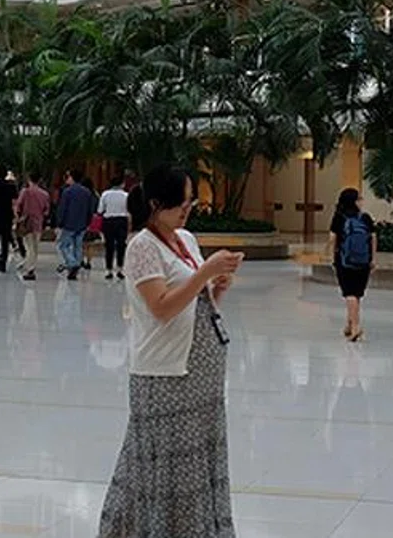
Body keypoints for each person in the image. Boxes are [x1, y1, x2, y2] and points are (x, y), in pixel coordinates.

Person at [97, 166, 245, 538]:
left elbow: (196, 304)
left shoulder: (187, 240)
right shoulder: (142, 247)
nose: (187, 209)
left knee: (197, 462)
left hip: (201, 373)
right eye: (180, 202)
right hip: (165, 374)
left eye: (190, 201)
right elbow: (161, 308)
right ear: (155, 204)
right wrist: (204, 273)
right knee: (162, 464)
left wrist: (217, 285)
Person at [327, 187, 375, 342]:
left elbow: (333, 239)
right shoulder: (365, 218)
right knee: (357, 294)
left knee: (349, 293)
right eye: (359, 198)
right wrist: (372, 259)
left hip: (344, 260)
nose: (361, 201)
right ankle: (349, 324)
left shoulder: (339, 218)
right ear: (354, 201)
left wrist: (331, 257)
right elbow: (373, 238)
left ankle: (355, 327)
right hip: (364, 261)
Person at [56, 170, 97, 281]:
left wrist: (59, 222)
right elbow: (90, 209)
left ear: (72, 178)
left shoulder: (67, 192)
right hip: (82, 223)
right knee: (77, 246)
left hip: (69, 223)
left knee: (63, 245)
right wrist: (88, 221)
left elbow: (63, 208)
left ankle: (72, 263)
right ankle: (76, 266)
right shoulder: (87, 192)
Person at [16, 173, 51, 281]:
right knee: (35, 246)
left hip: (27, 222)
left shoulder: (25, 192)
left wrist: (18, 217)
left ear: (29, 179)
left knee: (29, 246)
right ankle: (31, 264)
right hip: (38, 222)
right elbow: (46, 211)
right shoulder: (45, 194)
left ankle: (30, 268)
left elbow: (18, 205)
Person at [100, 171, 133, 280]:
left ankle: (108, 270)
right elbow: (129, 210)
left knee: (109, 246)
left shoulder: (105, 194)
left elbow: (100, 209)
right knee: (121, 245)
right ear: (122, 184)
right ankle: (120, 269)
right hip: (121, 221)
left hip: (108, 221)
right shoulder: (126, 195)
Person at [0, 170, 19, 274]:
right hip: (7, 216)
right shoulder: (12, 187)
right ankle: (3, 262)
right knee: (5, 241)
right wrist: (15, 215)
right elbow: (14, 203)